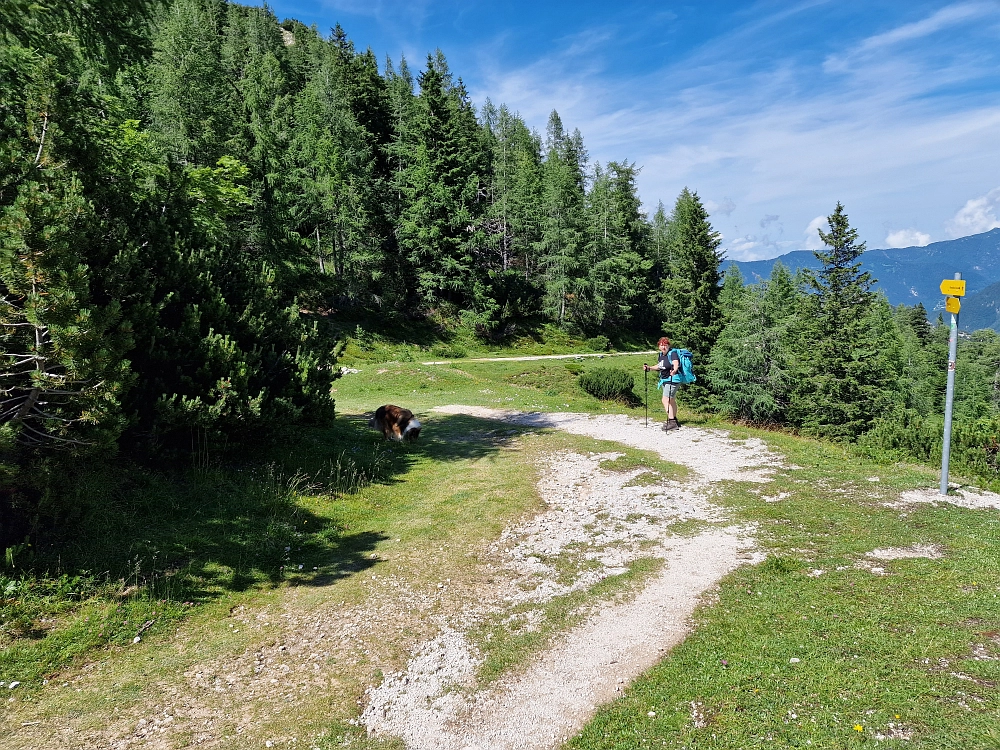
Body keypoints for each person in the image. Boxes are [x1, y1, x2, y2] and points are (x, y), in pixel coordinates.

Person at [644, 337, 681, 431]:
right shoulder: (661, 355)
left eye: (665, 345)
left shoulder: (672, 353)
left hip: (672, 379)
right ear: (659, 346)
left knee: (665, 400)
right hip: (665, 380)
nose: (663, 347)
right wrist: (649, 368)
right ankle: (674, 420)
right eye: (661, 345)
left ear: (669, 345)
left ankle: (672, 422)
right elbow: (660, 366)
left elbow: (676, 363)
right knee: (671, 400)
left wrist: (675, 370)